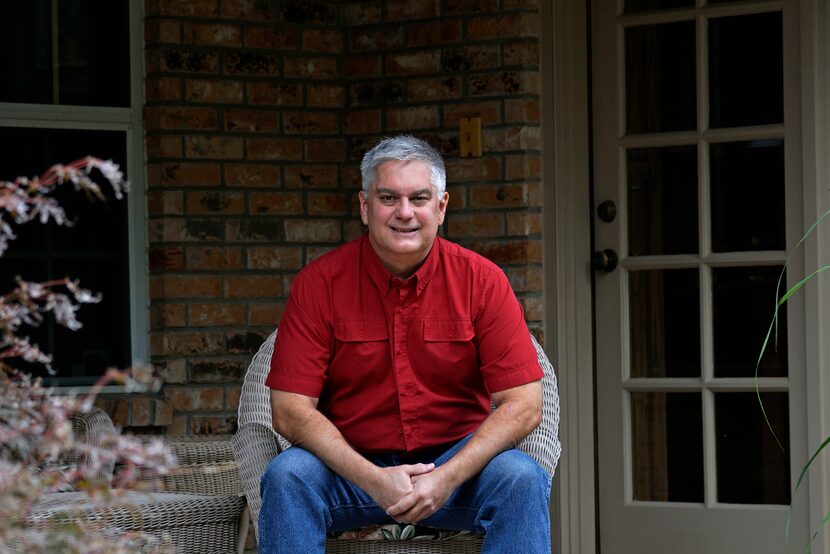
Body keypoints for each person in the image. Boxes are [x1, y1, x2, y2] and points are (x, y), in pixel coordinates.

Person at [259, 135, 551, 553]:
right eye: (388, 198)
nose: (405, 213)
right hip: (350, 468)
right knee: (287, 476)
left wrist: (446, 476)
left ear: (441, 206)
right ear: (364, 206)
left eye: (418, 197)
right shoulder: (318, 285)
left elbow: (525, 404)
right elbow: (289, 412)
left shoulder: (483, 282)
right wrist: (372, 479)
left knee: (522, 478)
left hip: (459, 469)